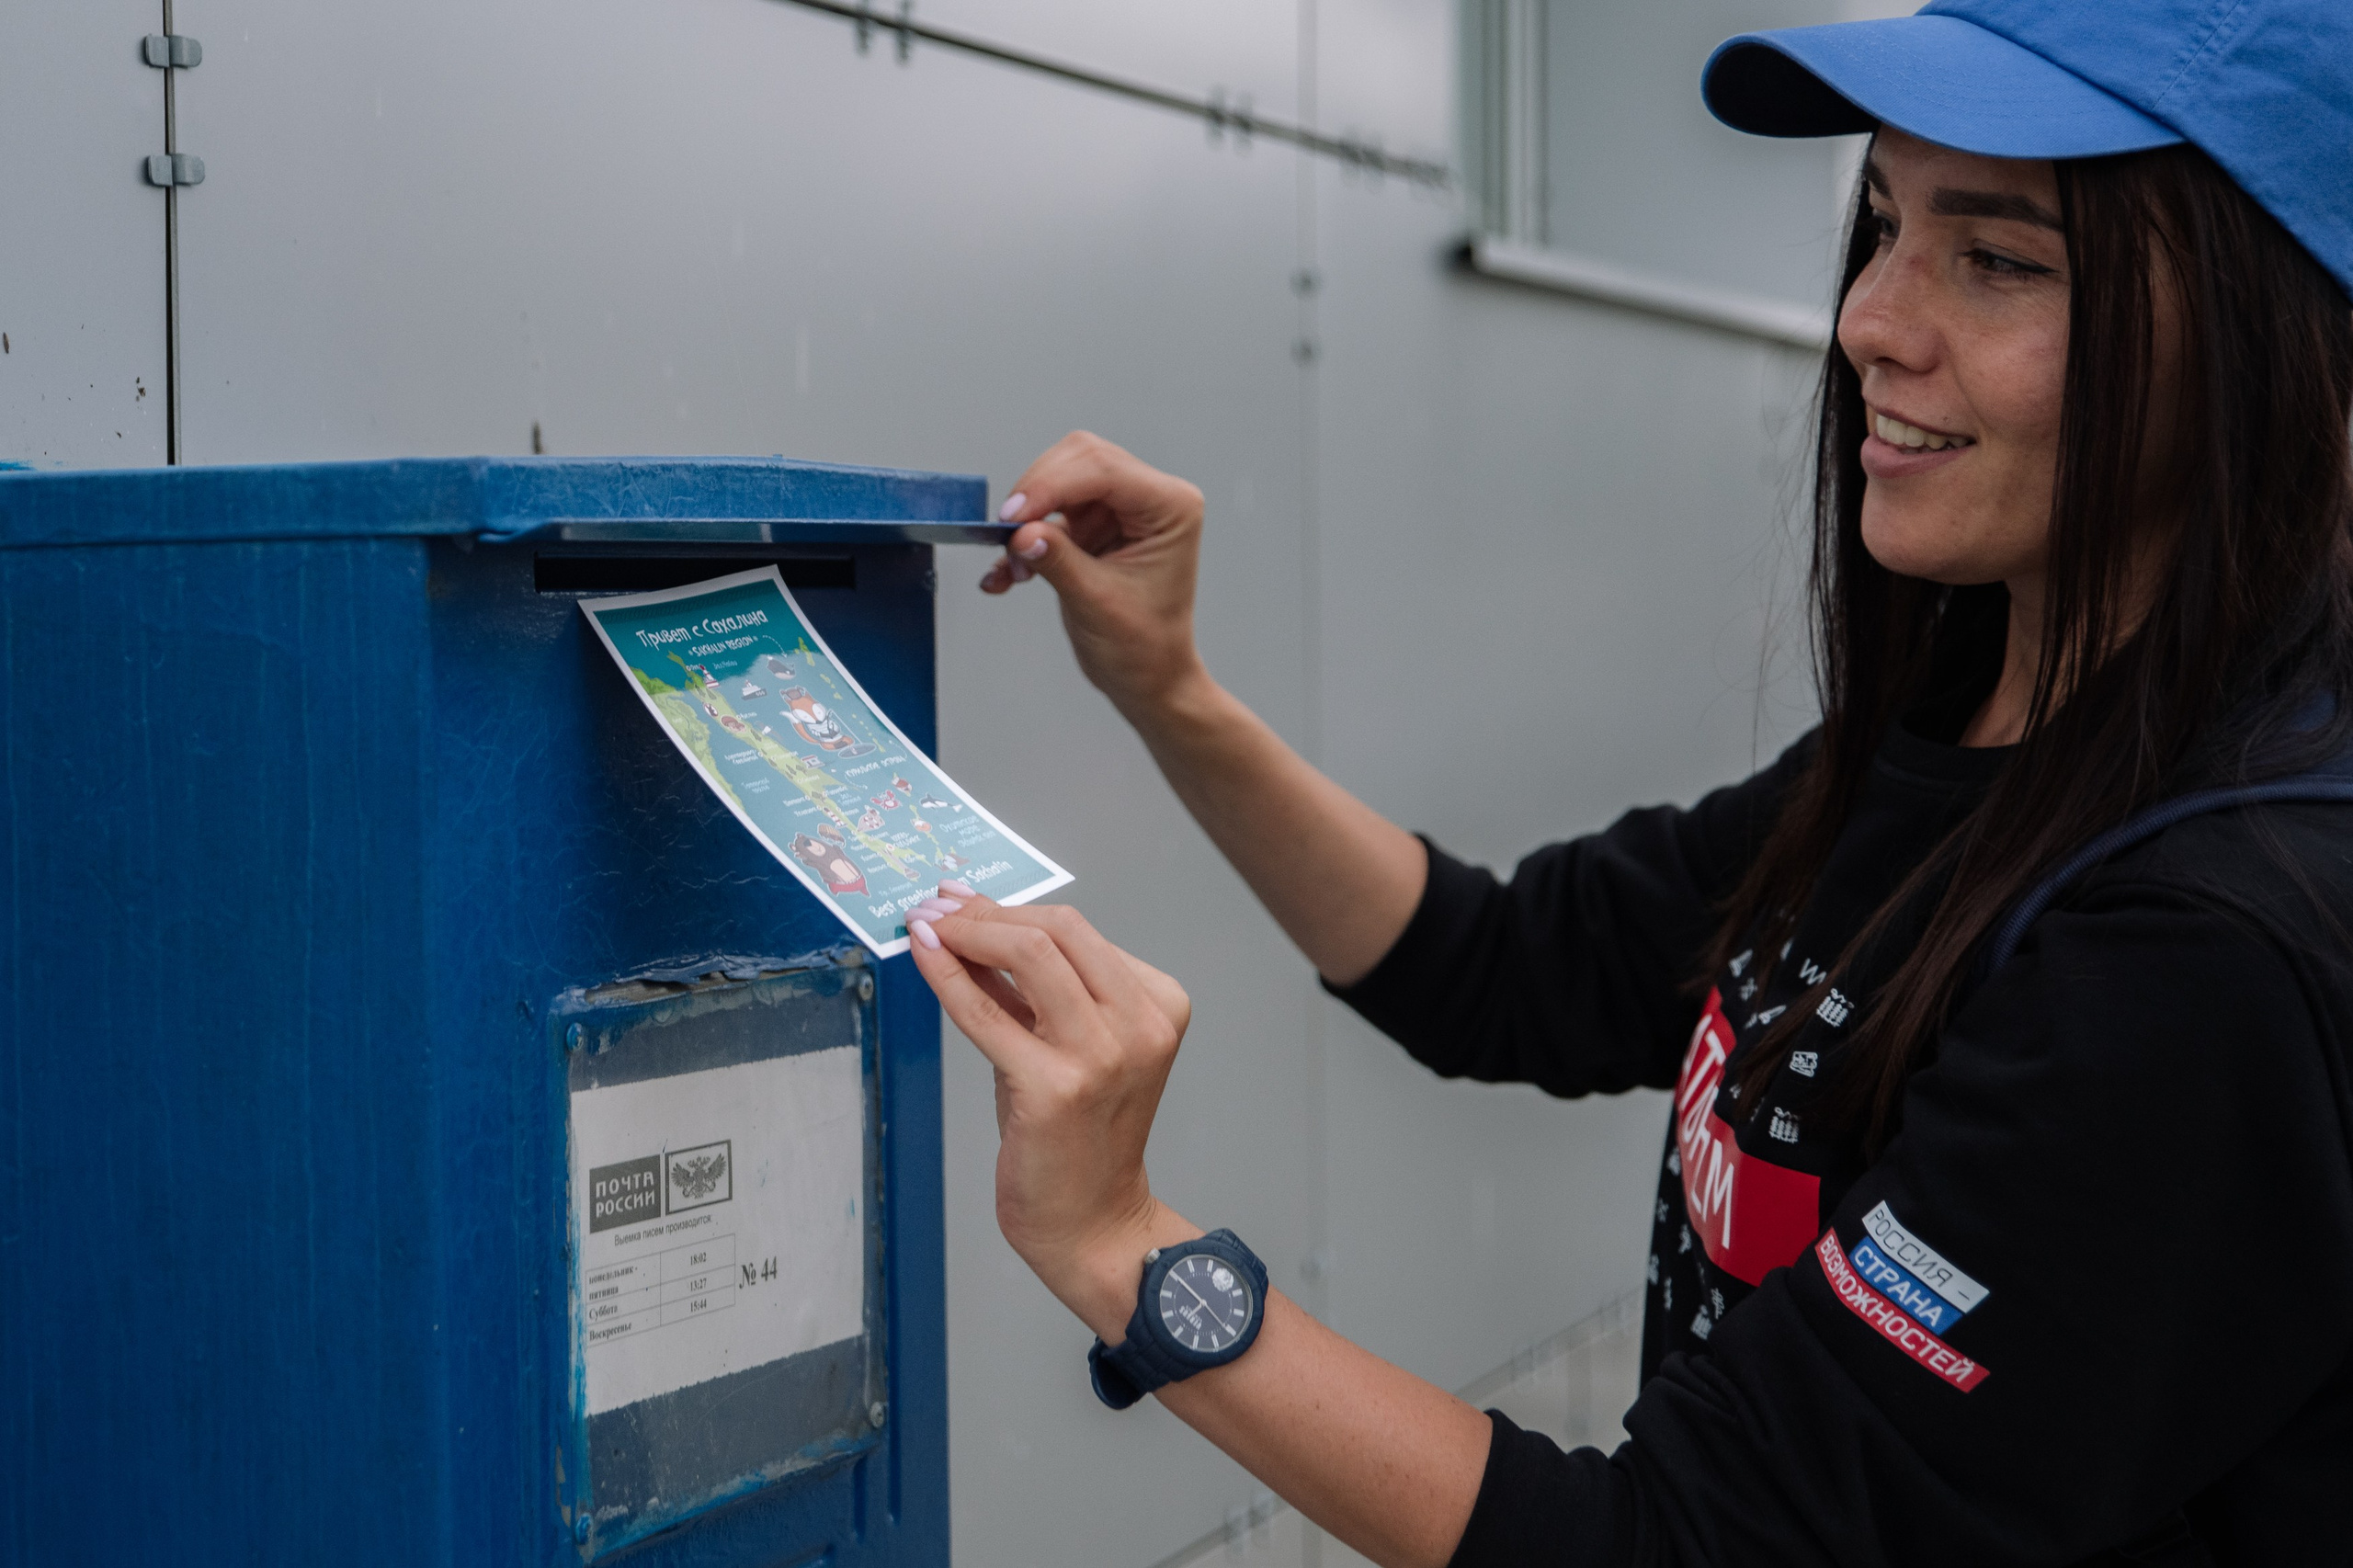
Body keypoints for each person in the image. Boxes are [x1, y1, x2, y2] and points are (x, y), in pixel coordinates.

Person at [897, 1, 2353, 1562]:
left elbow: (1682, 1546)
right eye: (1883, 224)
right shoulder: (1975, 731)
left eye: (1998, 259)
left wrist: (1128, 1247)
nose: (1872, 318)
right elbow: (1504, 965)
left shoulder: (2207, 947)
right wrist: (1169, 692)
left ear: (2258, 332)